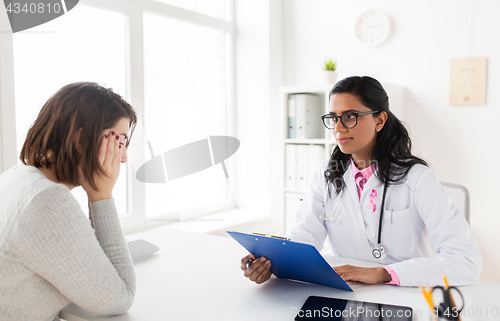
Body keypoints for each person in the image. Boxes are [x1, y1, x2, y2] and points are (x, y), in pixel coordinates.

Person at [241, 76, 481, 287]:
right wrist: (272, 265)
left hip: (407, 293)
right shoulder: (327, 174)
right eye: (333, 118)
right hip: (349, 292)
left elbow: (466, 261)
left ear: (379, 120)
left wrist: (384, 273)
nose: (338, 128)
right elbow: (304, 241)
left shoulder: (417, 178)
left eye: (350, 116)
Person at [0, 82, 137, 320]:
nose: (123, 157)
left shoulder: (17, 176)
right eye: (120, 142)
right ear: (82, 140)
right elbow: (120, 297)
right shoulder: (47, 202)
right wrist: (101, 194)